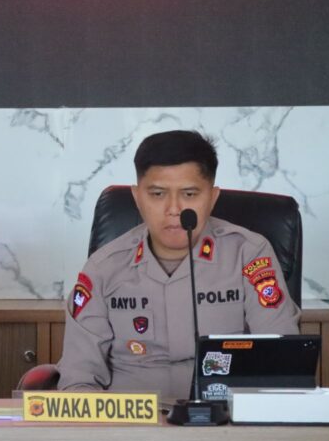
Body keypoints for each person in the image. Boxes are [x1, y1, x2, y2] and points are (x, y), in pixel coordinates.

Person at [57, 130, 300, 399]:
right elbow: (78, 378)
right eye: (158, 194)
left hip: (222, 416)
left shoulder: (249, 254)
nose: (174, 209)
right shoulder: (103, 268)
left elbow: (282, 362)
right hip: (131, 419)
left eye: (189, 194)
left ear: (212, 198)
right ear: (137, 198)